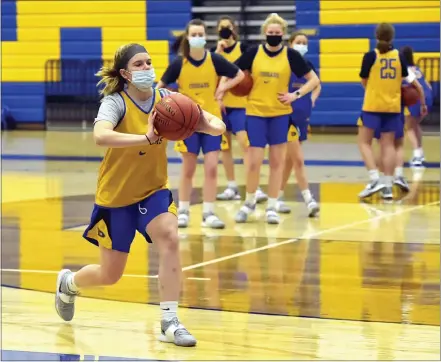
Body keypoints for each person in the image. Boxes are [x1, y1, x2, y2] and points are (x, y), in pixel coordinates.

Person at [54, 43, 226, 348]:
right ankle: (69, 283)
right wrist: (144, 137)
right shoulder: (115, 102)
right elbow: (100, 135)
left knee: (170, 237)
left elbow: (216, 123)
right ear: (125, 73)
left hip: (153, 191)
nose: (147, 68)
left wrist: (206, 124)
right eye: (139, 64)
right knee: (110, 275)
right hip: (116, 197)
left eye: (149, 63)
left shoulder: (169, 101)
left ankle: (170, 321)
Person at [234, 13, 320, 224]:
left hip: (281, 115)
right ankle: (249, 202)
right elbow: (232, 71)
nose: (273, 35)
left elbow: (314, 80)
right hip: (255, 114)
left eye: (277, 33)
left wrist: (295, 95)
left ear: (283, 34)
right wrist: (225, 89)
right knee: (253, 163)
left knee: (276, 163)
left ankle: (272, 206)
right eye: (270, 33)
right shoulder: (254, 53)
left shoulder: (291, 55)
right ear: (265, 33)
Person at [157, 19, 244, 229]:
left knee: (212, 168)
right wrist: (171, 104)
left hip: (211, 121)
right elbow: (159, 87)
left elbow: (239, 75)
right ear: (187, 38)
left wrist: (222, 90)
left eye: (200, 34)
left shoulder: (214, 59)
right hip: (188, 124)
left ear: (206, 37)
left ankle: (208, 213)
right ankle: (184, 210)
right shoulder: (179, 63)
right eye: (194, 35)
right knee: (188, 169)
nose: (197, 38)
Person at [357, 23, 427, 200]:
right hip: (393, 107)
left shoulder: (370, 56)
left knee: (364, 143)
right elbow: (412, 82)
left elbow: (364, 81)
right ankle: (387, 187)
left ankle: (374, 178)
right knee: (387, 145)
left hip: (372, 105)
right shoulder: (399, 57)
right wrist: (422, 101)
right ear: (392, 37)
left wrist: (374, 90)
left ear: (376, 35)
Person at [213, 15, 268, 203]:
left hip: (241, 106)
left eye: (228, 28)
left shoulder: (244, 49)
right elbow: (211, 79)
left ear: (234, 29)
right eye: (221, 29)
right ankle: (231, 187)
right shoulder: (214, 54)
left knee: (246, 145)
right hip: (221, 107)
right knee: (225, 148)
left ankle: (255, 187)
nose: (225, 31)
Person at [276, 31, 321, 217]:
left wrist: (312, 100)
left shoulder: (306, 65)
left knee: (289, 160)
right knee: (298, 159)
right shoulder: (284, 63)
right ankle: (309, 199)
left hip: (302, 116)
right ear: (290, 43)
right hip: (286, 115)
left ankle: (276, 197)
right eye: (298, 42)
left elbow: (317, 84)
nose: (302, 45)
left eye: (304, 42)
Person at [401, 46, 433, 167]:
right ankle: (420, 152)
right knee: (415, 125)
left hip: (418, 99)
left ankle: (417, 156)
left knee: (408, 128)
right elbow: (428, 86)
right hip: (428, 97)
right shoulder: (417, 69)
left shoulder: (405, 71)